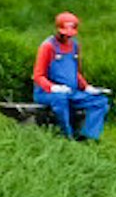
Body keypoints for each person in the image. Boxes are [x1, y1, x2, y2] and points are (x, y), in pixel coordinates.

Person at [32, 11, 110, 143]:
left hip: (71, 92)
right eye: (64, 34)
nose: (67, 37)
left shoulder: (74, 46)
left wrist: (86, 87)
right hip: (48, 93)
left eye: (70, 34)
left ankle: (88, 136)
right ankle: (67, 136)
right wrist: (53, 88)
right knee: (61, 100)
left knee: (100, 102)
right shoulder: (48, 46)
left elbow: (75, 72)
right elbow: (38, 76)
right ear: (58, 30)